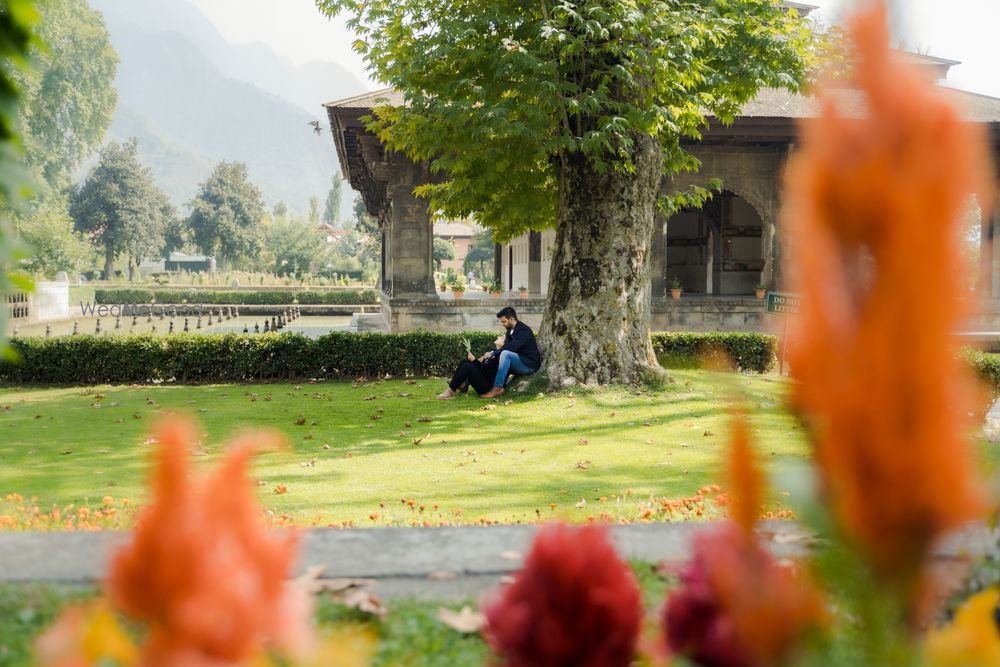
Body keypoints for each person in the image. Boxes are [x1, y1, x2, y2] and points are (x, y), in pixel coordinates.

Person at [479, 306, 540, 398]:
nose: (502, 324)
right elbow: (505, 347)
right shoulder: (510, 331)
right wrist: (492, 353)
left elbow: (511, 347)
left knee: (505, 354)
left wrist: (493, 353)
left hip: (529, 366)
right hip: (519, 362)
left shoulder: (523, 330)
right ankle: (477, 382)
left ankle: (497, 388)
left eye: (504, 321)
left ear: (511, 319)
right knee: (496, 357)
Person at [437, 334, 505, 399]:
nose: (498, 336)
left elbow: (486, 372)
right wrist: (475, 359)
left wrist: (474, 360)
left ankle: (451, 391)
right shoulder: (492, 352)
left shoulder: (499, 356)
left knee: (467, 366)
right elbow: (482, 367)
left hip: (485, 387)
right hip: (483, 379)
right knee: (465, 361)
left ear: (503, 344)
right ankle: (461, 385)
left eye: (501, 338)